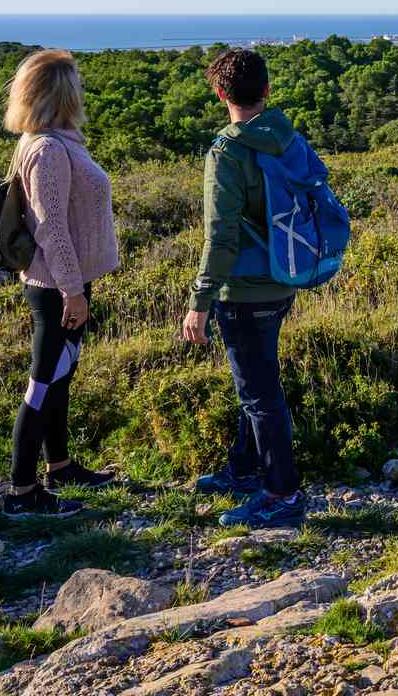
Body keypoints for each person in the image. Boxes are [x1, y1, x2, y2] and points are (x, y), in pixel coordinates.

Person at [180, 48, 305, 528]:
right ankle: (245, 469)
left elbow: (222, 236)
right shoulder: (286, 136)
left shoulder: (228, 151)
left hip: (244, 290)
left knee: (259, 393)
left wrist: (200, 301)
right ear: (267, 90)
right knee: (255, 383)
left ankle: (282, 494)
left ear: (220, 94)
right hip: (283, 278)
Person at [3, 49, 120, 515]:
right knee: (42, 383)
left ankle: (61, 465)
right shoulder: (48, 149)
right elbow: (51, 227)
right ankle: (21, 492)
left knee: (59, 378)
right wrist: (73, 290)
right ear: (61, 92)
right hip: (56, 287)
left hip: (66, 281)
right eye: (76, 83)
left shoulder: (59, 140)